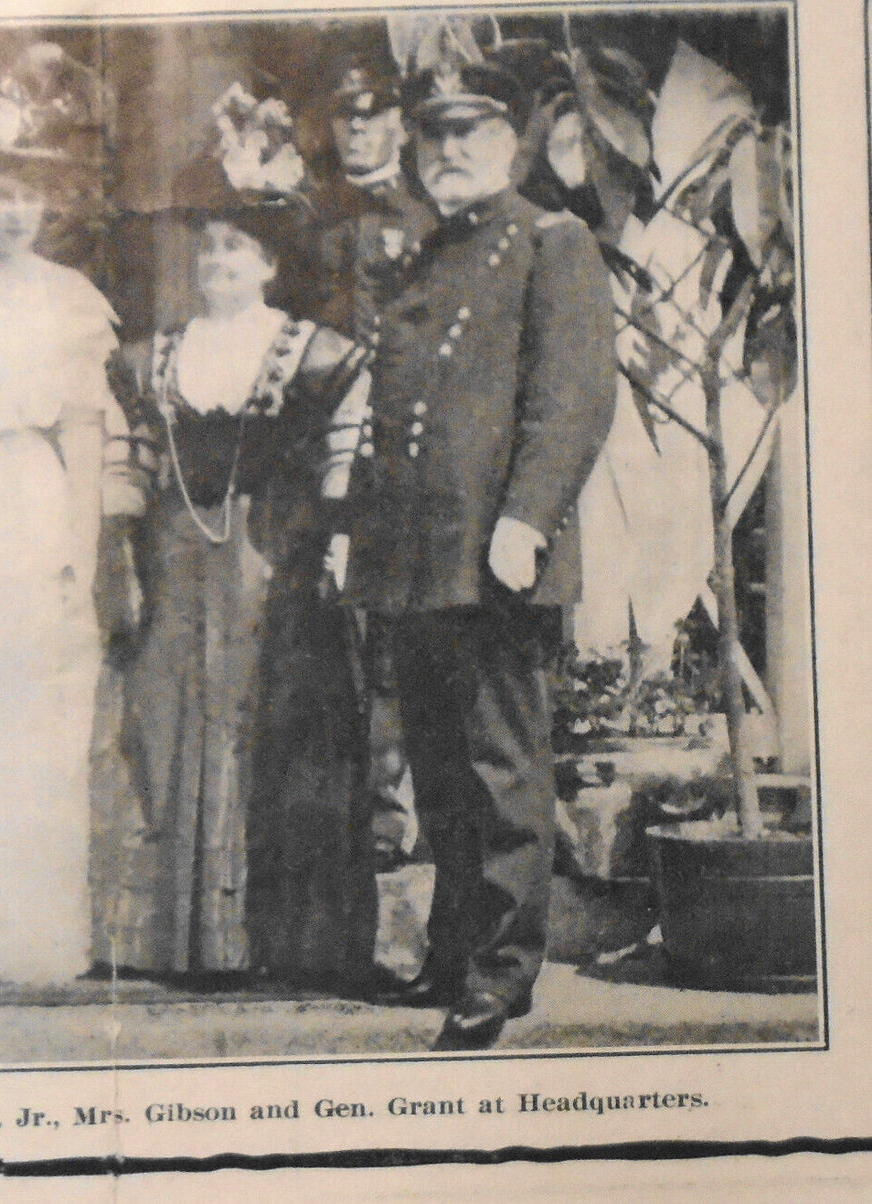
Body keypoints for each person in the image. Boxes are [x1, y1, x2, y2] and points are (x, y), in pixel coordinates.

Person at [336, 61, 617, 1049]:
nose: (448, 156)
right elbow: (392, 423)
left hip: (492, 551)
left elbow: (573, 395)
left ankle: (501, 971)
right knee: (439, 770)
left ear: (506, 150)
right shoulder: (421, 259)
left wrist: (526, 518)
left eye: (469, 140)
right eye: (432, 143)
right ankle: (456, 954)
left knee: (501, 767)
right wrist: (361, 540)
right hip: (414, 559)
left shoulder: (551, 241)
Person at [103, 108, 381, 987]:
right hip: (179, 561)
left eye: (237, 251)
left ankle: (277, 944)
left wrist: (336, 545)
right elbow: (133, 459)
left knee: (273, 731)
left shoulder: (314, 352)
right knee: (168, 723)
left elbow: (346, 447)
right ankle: (175, 942)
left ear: (268, 265)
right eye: (210, 250)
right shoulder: (154, 356)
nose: (219, 264)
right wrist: (120, 551)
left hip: (277, 558)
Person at [0, 167, 124, 988]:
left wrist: (79, 552)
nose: (15, 212)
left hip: (32, 500)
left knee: (33, 716)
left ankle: (28, 935)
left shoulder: (69, 295)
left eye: (30, 195)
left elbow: (82, 431)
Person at [316, 57, 437, 346]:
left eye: (371, 112)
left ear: (403, 127)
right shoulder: (311, 212)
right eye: (343, 113)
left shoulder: (428, 213)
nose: (355, 125)